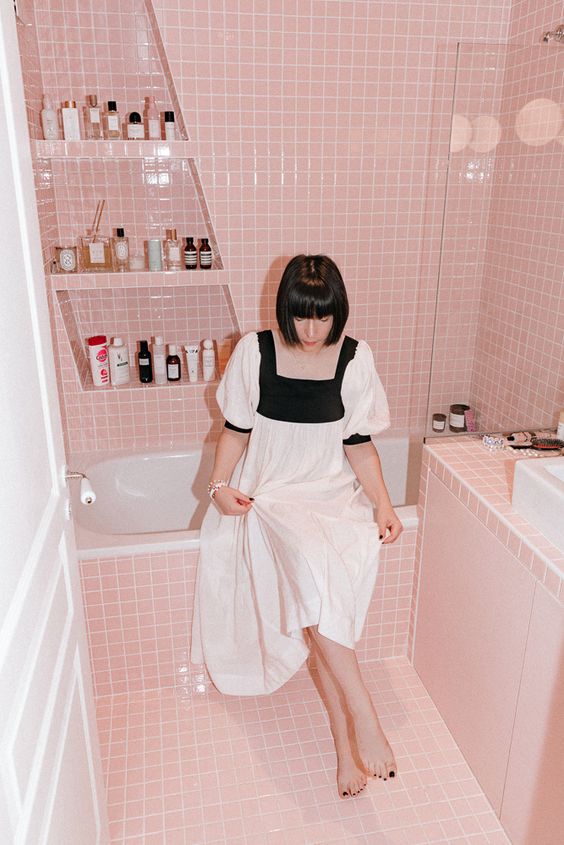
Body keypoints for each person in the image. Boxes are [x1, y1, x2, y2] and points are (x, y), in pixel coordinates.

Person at [191, 254, 403, 799]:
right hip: (272, 497)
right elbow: (235, 432)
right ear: (285, 309)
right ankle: (362, 716)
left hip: (330, 497)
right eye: (301, 317)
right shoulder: (254, 352)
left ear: (339, 314)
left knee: (317, 618)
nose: (312, 331)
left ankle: (342, 744)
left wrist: (381, 504)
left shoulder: (355, 359)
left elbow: (358, 446)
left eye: (324, 318)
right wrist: (217, 487)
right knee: (316, 580)